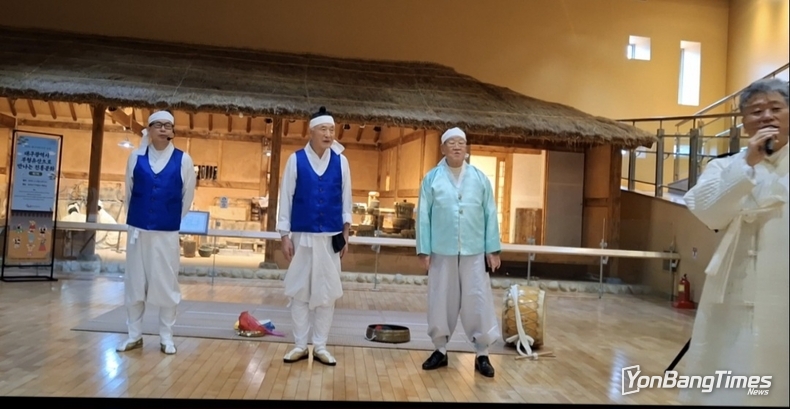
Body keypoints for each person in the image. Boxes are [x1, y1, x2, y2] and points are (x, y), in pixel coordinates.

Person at [681, 78, 788, 407]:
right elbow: (708, 212)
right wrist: (747, 165)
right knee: (727, 372)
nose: (766, 116)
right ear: (743, 123)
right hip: (733, 290)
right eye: (756, 111)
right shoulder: (724, 166)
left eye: (776, 108)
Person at [416, 127, 501, 378]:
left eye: (461, 143)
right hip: (441, 250)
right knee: (441, 298)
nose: (457, 147)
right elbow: (423, 216)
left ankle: (482, 352)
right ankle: (440, 349)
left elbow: (490, 213)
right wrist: (423, 250)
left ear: (466, 148)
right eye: (451, 143)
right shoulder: (431, 179)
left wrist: (493, 249)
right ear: (443, 148)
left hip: (474, 250)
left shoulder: (480, 178)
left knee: (478, 299)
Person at [116, 110, 197, 355]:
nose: (163, 129)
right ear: (149, 129)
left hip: (166, 233)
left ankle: (166, 337)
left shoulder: (184, 160)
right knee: (134, 283)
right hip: (138, 231)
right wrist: (138, 220)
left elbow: (187, 197)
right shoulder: (135, 157)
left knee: (166, 284)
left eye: (167, 125)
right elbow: (129, 192)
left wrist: (169, 218)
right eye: (158, 125)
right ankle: (134, 335)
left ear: (173, 131)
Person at [277, 106, 352, 366]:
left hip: (330, 237)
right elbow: (285, 198)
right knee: (299, 291)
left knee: (327, 292)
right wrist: (284, 235)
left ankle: (320, 345)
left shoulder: (341, 161)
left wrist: (346, 232)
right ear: (311, 131)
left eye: (332, 129)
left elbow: (346, 199)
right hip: (302, 236)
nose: (329, 134)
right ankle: (300, 344)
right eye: (323, 129)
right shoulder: (295, 160)